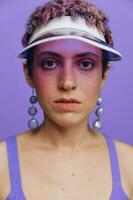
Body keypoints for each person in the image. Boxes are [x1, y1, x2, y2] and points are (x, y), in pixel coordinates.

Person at [0, 0, 133, 199]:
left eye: (86, 64)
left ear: (104, 74)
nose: (68, 82)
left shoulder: (129, 164)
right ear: (29, 73)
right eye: (50, 63)